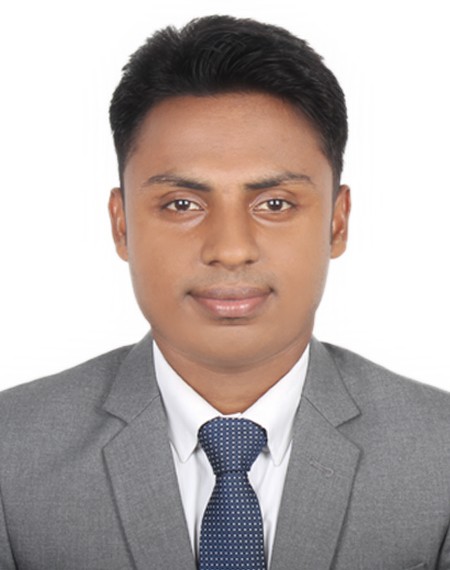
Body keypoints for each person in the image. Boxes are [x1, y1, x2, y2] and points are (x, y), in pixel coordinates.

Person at [0, 15, 449, 570]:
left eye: (275, 204)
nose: (231, 249)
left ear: (337, 223)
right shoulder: (10, 455)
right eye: (182, 204)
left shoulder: (440, 456)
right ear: (121, 224)